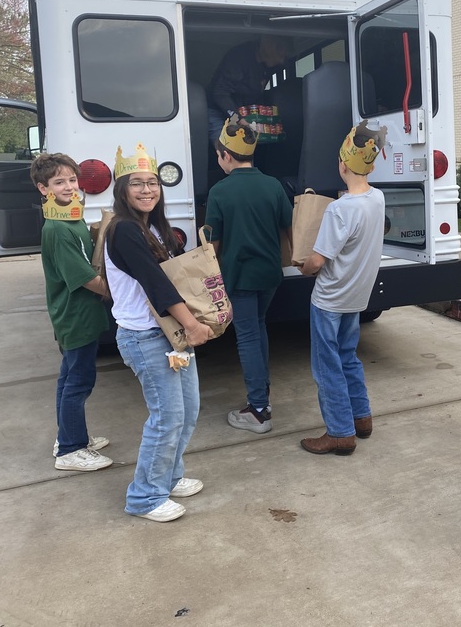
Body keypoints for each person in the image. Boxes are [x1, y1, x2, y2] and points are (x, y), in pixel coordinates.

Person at [104, 143, 213, 522]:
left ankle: (168, 477)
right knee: (167, 417)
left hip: (169, 337)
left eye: (153, 182)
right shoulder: (123, 231)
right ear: (122, 189)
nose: (147, 189)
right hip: (147, 337)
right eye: (137, 183)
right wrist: (192, 324)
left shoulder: (153, 227)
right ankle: (145, 497)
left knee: (188, 411)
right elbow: (156, 285)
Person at [298, 120, 387, 456]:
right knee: (348, 357)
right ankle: (361, 418)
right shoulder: (377, 199)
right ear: (372, 165)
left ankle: (339, 433)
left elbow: (318, 262)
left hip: (330, 298)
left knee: (327, 366)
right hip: (356, 296)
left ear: (342, 163)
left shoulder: (340, 209)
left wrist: (302, 265)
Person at [205, 119, 293, 434]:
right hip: (270, 274)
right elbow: (288, 226)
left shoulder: (219, 191)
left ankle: (257, 411)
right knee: (258, 328)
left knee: (247, 337)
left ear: (226, 155)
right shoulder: (274, 185)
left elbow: (212, 244)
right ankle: (263, 399)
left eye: (218, 154)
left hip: (239, 276)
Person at [30, 153, 113, 472]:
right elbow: (82, 277)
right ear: (43, 188)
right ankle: (70, 450)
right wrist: (121, 291)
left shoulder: (69, 216)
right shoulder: (58, 229)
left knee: (69, 378)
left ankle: (70, 435)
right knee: (79, 380)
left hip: (78, 314)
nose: (69, 186)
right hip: (75, 314)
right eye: (59, 182)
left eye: (72, 180)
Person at [206, 36, 291, 148]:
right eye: (280, 55)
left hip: (242, 112)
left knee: (246, 151)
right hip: (218, 110)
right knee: (228, 152)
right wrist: (239, 119)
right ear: (266, 42)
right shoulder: (239, 58)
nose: (281, 61)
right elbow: (220, 94)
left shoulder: (269, 65)